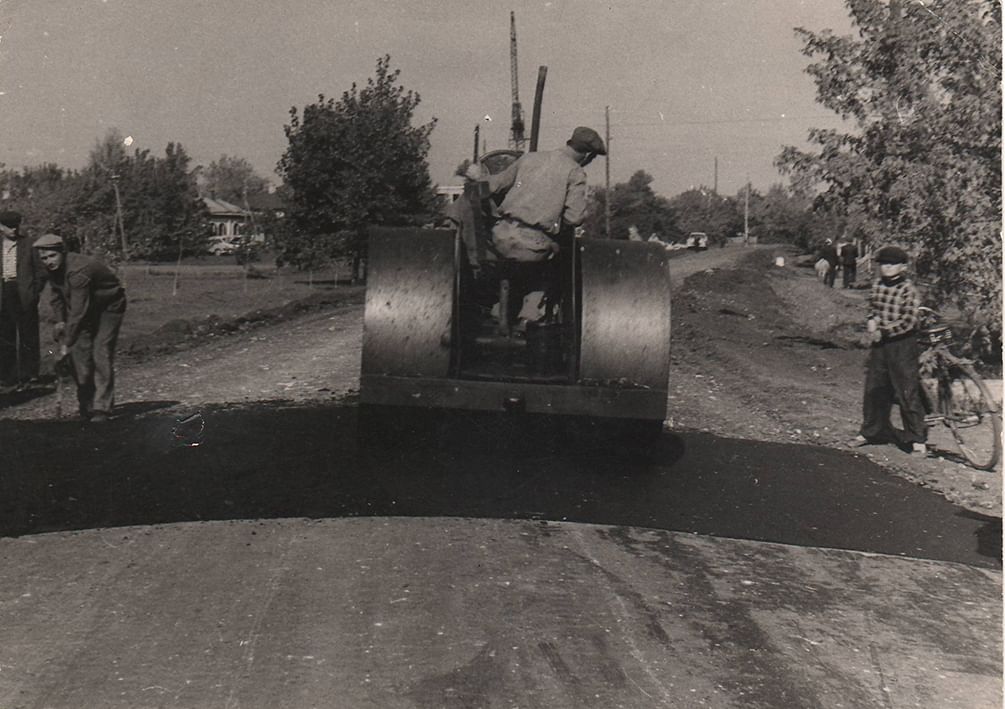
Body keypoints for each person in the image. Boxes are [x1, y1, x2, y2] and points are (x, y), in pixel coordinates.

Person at [468, 125, 606, 262]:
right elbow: (574, 218)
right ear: (588, 155)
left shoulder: (529, 158)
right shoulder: (575, 172)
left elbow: (494, 185)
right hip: (532, 247)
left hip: (500, 237)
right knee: (561, 255)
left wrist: (478, 176)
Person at [33, 234, 127, 422]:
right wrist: (60, 321)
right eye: (44, 258)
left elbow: (78, 311)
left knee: (101, 351)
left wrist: (67, 342)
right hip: (84, 309)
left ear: (63, 252)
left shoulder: (79, 270)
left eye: (52, 256)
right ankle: (86, 404)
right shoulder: (53, 270)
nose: (48, 262)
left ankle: (102, 408)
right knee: (80, 355)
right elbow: (57, 297)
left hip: (108, 308)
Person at [848, 245, 927, 455]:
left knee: (906, 390)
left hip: (902, 344)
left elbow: (909, 321)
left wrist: (884, 331)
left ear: (902, 266)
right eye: (884, 264)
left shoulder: (908, 289)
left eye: (893, 264)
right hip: (880, 345)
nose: (888, 268)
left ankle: (917, 438)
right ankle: (871, 431)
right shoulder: (877, 285)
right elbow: (872, 309)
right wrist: (872, 321)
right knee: (875, 388)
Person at [0, 210, 44, 391]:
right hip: (3, 292)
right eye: (8, 226)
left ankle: (30, 375)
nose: (13, 229)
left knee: (28, 335)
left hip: (24, 293)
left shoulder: (29, 244)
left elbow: (41, 273)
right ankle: (7, 377)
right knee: (4, 336)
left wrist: (34, 293)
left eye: (15, 225)